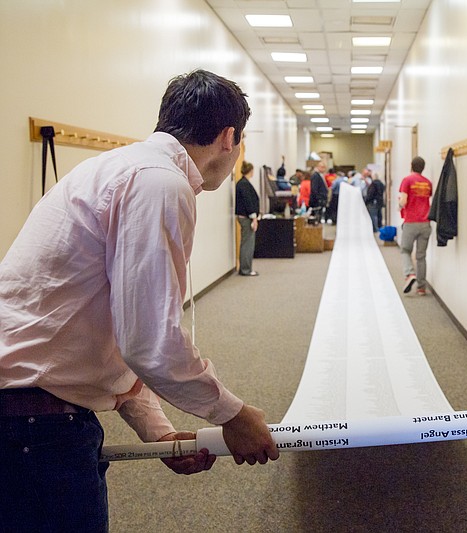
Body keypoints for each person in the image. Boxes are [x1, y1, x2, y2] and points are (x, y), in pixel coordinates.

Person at [0, 69, 280, 531]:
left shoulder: (120, 169)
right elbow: (148, 340)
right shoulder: (159, 184)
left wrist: (159, 433)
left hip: (30, 422)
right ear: (229, 138)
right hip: (34, 433)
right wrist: (234, 414)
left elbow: (106, 337)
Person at [398, 156, 433, 296]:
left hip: (411, 222)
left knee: (405, 250)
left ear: (411, 165)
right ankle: (421, 288)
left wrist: (399, 204)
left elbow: (404, 200)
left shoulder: (407, 180)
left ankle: (409, 274)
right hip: (425, 223)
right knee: (421, 256)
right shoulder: (428, 183)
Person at [235, 160, 259, 276]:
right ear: (250, 170)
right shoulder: (244, 184)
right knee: (247, 244)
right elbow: (248, 202)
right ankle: (245, 269)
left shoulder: (242, 183)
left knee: (247, 243)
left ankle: (246, 268)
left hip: (245, 216)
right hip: (246, 217)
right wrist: (253, 217)